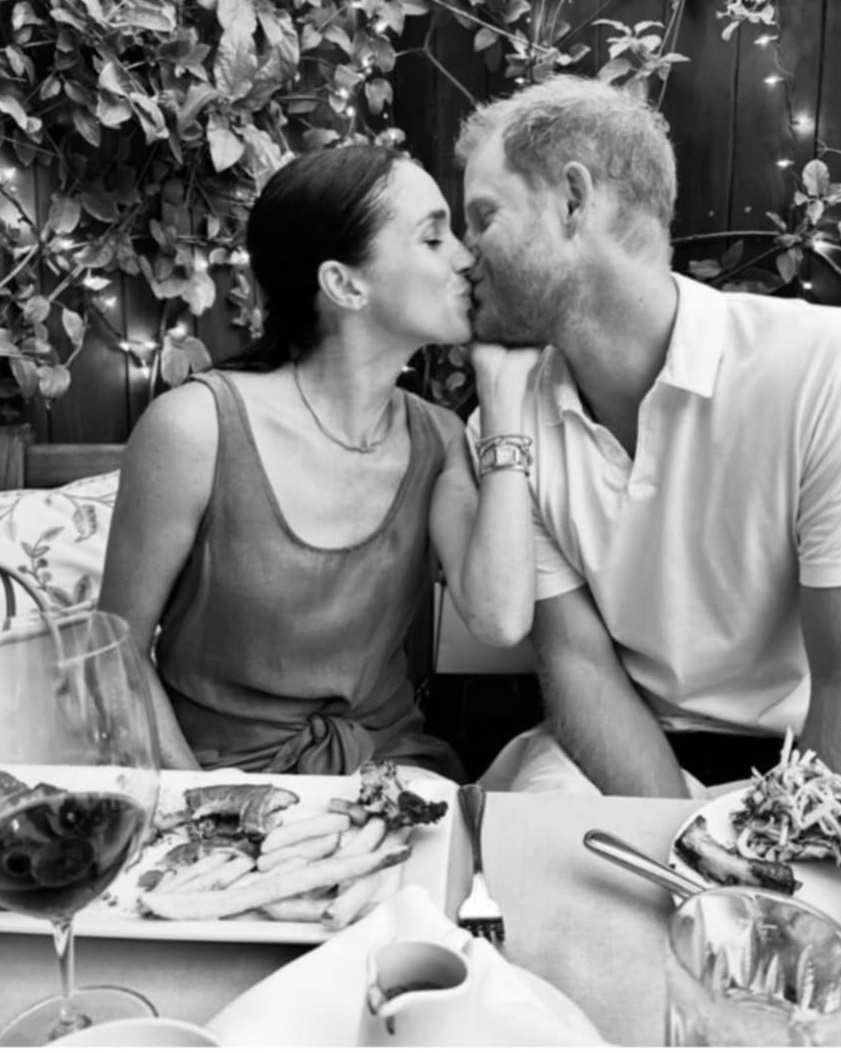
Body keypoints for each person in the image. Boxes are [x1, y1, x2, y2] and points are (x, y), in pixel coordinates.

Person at [455, 74, 841, 797]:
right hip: (619, 759)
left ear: (573, 201)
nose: (463, 254)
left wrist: (785, 850)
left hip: (804, 761)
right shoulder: (505, 427)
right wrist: (681, 843)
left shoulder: (828, 365)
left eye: (483, 217)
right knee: (534, 832)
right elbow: (579, 666)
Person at [99, 144, 538, 779]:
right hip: (215, 786)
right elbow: (116, 653)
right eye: (433, 238)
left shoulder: (439, 440)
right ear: (344, 284)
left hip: (390, 781)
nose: (466, 258)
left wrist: (503, 398)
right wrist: (204, 806)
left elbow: (500, 619)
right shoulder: (194, 429)